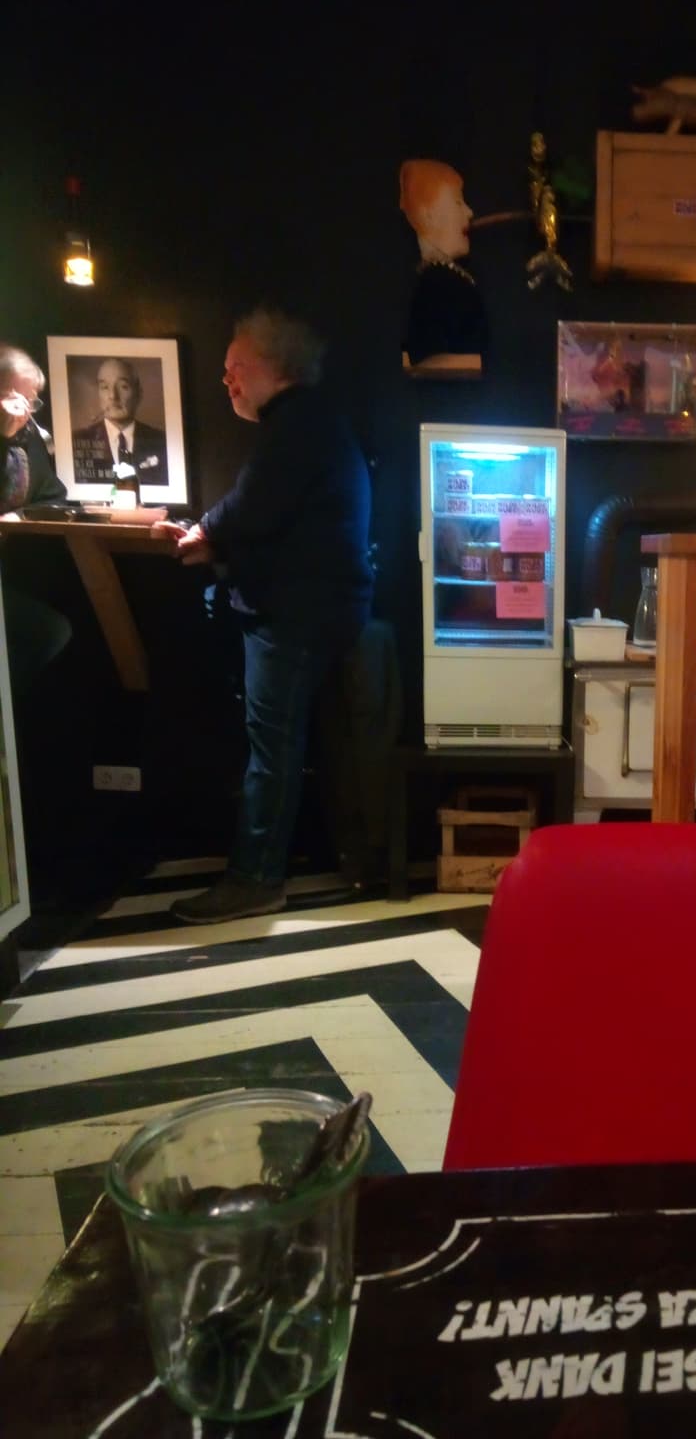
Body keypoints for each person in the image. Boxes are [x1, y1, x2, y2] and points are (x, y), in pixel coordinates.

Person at [155, 309, 372, 925]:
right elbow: (275, 519)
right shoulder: (310, 422)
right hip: (315, 608)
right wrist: (215, 543)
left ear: (274, 367)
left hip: (295, 615)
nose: (226, 380)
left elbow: (252, 504)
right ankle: (267, 869)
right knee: (277, 744)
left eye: (235, 368)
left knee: (270, 748)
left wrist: (204, 533)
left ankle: (255, 880)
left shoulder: (295, 425)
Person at [0, 345, 73, 695]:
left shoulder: (28, 438)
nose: (25, 410)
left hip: (14, 568)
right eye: (15, 397)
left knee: (57, 627)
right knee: (48, 630)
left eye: (31, 401)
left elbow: (53, 494)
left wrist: (18, 517)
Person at [399, 158, 487, 373]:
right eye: (458, 202)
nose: (469, 212)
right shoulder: (436, 285)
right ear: (429, 215)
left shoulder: (444, 279)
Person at [71, 357, 169, 486]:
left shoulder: (162, 442)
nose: (113, 396)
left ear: (139, 394)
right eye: (105, 387)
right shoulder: (76, 440)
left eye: (123, 387)